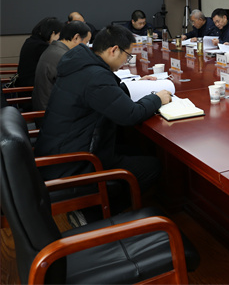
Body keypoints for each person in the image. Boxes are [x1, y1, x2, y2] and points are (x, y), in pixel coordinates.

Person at [35, 25, 172, 216]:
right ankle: (98, 214)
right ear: (113, 50)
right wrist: (156, 99)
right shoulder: (96, 76)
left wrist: (134, 86)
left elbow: (102, 94)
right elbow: (131, 115)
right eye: (127, 56)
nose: (126, 61)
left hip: (61, 149)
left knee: (135, 149)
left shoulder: (80, 64)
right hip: (74, 163)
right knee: (152, 167)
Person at [32, 21, 91, 111]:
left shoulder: (53, 49)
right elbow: (77, 89)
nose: (87, 46)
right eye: (86, 42)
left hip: (45, 107)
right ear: (76, 37)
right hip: (52, 113)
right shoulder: (65, 57)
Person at [15, 17, 64, 87]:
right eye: (59, 35)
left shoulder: (31, 40)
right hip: (32, 87)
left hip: (25, 82)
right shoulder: (41, 46)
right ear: (53, 33)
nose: (58, 38)